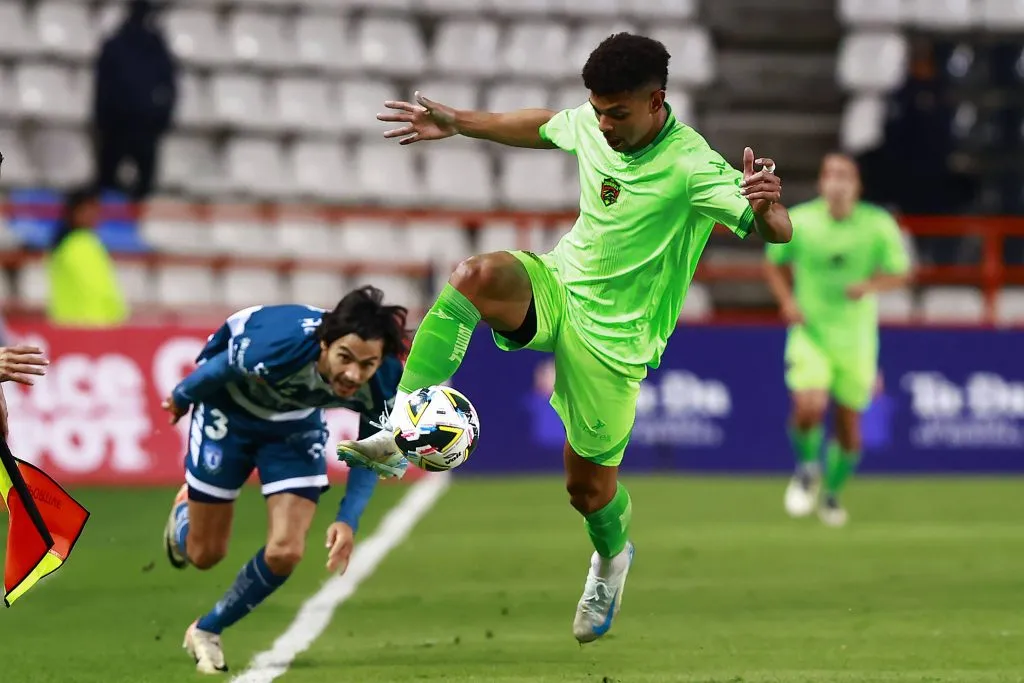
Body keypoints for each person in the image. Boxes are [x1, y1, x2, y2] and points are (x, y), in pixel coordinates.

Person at [337, 32, 792, 643]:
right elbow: (547, 124)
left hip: (615, 343)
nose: (603, 124)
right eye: (599, 110)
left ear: (656, 100)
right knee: (474, 277)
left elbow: (776, 233)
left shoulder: (692, 165)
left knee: (587, 491)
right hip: (559, 285)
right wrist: (460, 123)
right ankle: (400, 430)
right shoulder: (595, 123)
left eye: (618, 113)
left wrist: (767, 208)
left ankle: (612, 560)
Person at [160, 286, 407, 673]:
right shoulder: (276, 345)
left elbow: (374, 451)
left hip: (294, 423)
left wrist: (348, 519)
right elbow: (223, 367)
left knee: (287, 551)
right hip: (231, 412)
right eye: (344, 358)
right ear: (324, 343)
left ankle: (207, 630)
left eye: (367, 363)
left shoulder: (386, 377)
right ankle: (183, 515)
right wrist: (182, 395)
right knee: (204, 555)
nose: (353, 374)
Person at [763, 153, 911, 527]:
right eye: (830, 175)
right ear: (821, 183)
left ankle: (831, 494)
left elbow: (902, 273)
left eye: (844, 175)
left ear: (856, 185)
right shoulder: (802, 220)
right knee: (808, 406)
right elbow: (773, 263)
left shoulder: (877, 225)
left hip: (857, 339)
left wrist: (870, 286)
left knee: (848, 428)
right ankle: (808, 468)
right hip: (810, 332)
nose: (837, 182)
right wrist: (787, 301)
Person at [93, 0, 177, 200]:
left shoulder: (123, 44)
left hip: (129, 126)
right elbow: (170, 87)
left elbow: (170, 86)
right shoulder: (153, 47)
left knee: (119, 187)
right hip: (127, 126)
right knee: (124, 187)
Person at [47, 189, 128, 327]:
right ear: (74, 212)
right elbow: (97, 289)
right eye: (87, 211)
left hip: (69, 325)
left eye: (96, 210)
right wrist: (117, 316)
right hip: (92, 325)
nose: (93, 216)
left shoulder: (63, 245)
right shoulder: (81, 244)